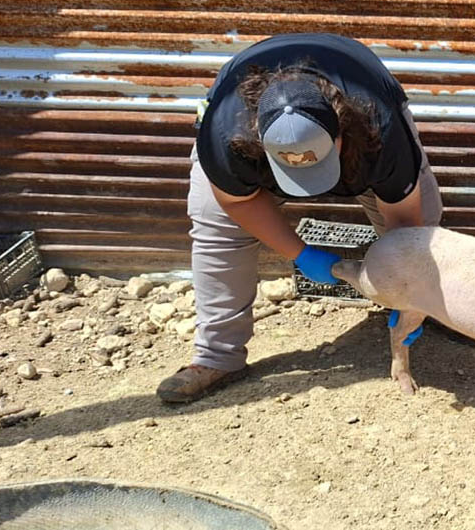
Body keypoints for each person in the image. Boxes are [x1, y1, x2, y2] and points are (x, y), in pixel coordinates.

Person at [157, 33, 442, 404]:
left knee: (424, 237)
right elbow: (238, 203)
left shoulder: (378, 126)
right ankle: (216, 357)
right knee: (216, 225)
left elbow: (405, 225)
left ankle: (434, 310)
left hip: (366, 128)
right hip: (243, 141)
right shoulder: (226, 135)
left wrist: (410, 290)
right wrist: (300, 254)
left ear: (341, 131)